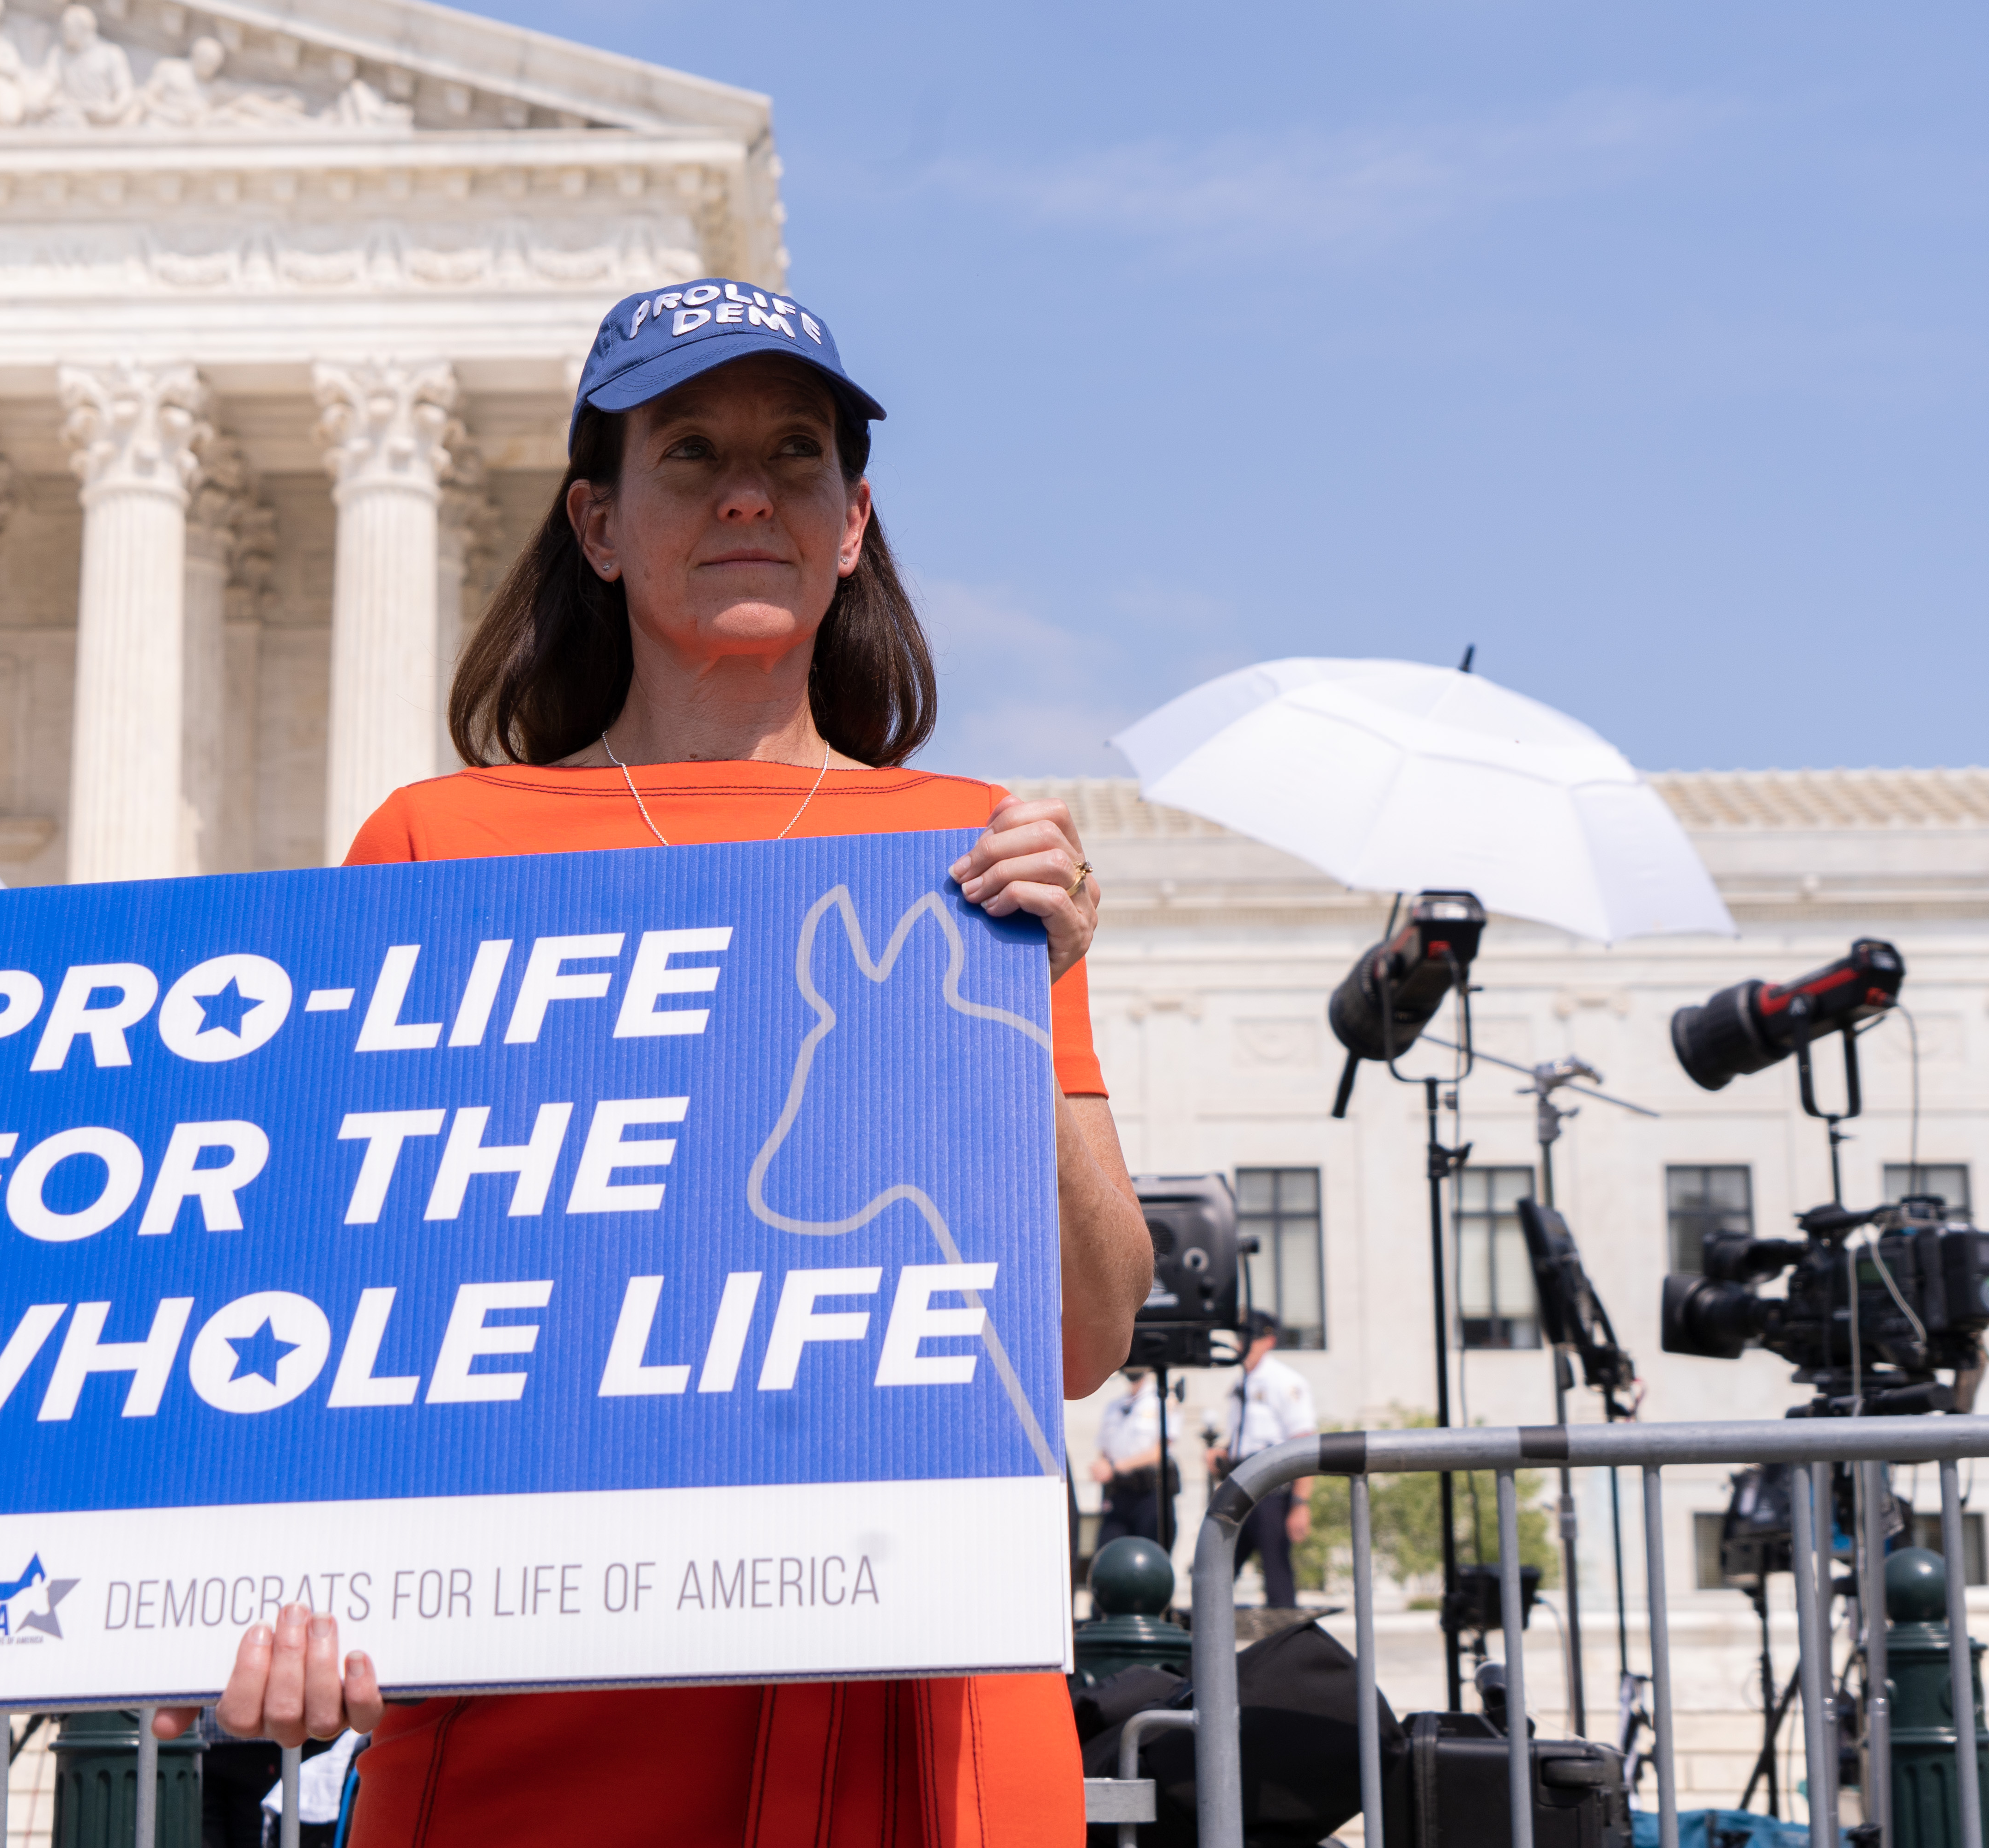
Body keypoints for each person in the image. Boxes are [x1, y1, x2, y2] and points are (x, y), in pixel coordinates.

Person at [160, 275, 1156, 1844]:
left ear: (852, 522)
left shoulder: (969, 859)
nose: (750, 488)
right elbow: (323, 1292)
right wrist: (267, 1602)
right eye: (689, 451)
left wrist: (1040, 1001)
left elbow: (1086, 1337)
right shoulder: (439, 848)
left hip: (917, 1712)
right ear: (601, 523)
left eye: (798, 453)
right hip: (536, 1716)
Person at [1207, 1310, 1319, 1609]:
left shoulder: (1284, 1381)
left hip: (1272, 1493)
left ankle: (1286, 1650)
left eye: (1251, 1339)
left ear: (1269, 1341)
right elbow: (1242, 1439)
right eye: (1240, 1338)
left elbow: (1304, 1444)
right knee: (1216, 1570)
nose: (1243, 1345)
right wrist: (1222, 1455)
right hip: (1241, 1488)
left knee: (1277, 1578)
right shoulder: (1240, 1383)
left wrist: (1300, 1504)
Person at [1089, 1367, 1181, 1556]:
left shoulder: (1162, 1401)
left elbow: (1160, 1450)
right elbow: (1104, 1449)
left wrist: (1116, 1467)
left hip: (1150, 1492)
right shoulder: (1114, 1406)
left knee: (1152, 1556)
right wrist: (1102, 1467)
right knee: (1108, 1555)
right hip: (1119, 1493)